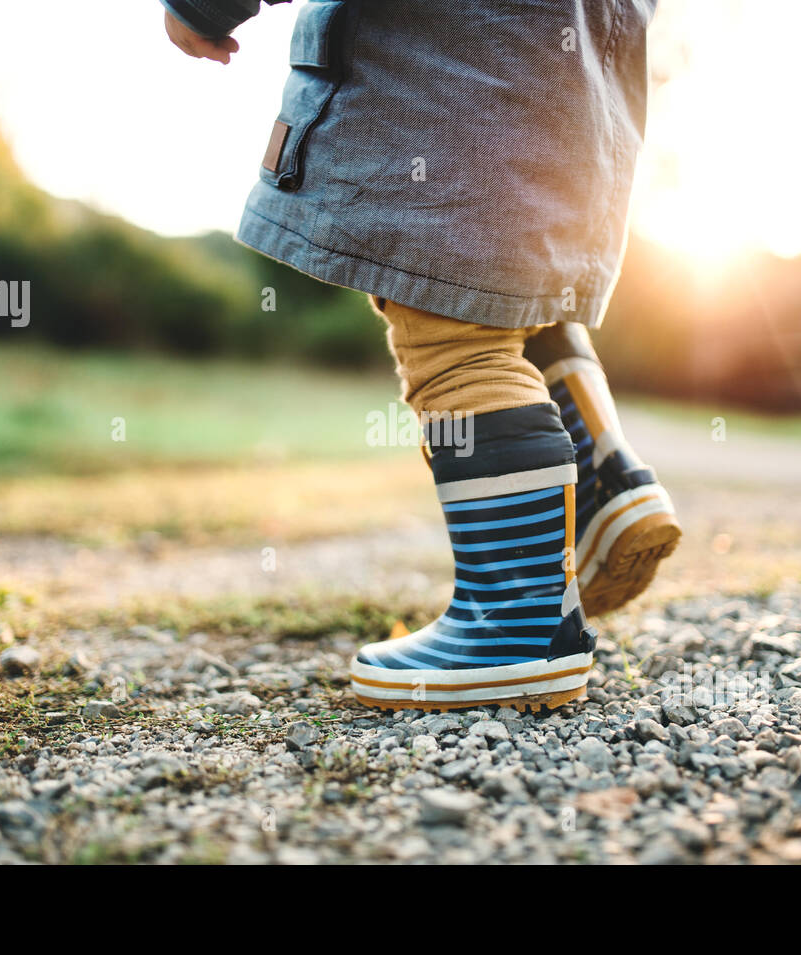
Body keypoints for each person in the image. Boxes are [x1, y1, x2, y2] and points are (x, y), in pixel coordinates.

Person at [161, 0, 679, 712]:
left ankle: (517, 629)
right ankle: (600, 480)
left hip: (451, 85)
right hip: (587, 93)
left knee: (454, 338)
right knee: (515, 301)